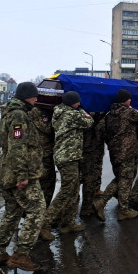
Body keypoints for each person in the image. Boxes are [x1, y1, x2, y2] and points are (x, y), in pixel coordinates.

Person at [0, 82, 45, 271]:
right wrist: (22, 176)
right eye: (34, 96)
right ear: (27, 96)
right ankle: (21, 254)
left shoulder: (10, 112)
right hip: (18, 174)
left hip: (8, 172)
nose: (36, 99)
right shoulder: (19, 115)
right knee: (37, 209)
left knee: (12, 213)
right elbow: (17, 146)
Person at [40, 91, 94, 240]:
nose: (79, 103)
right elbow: (89, 122)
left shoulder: (58, 112)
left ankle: (68, 223)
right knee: (67, 191)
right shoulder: (71, 114)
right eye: (77, 102)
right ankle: (45, 224)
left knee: (74, 189)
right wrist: (83, 110)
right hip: (68, 157)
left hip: (67, 156)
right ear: (72, 103)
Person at [93, 89, 138, 222]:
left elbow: (103, 132)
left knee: (121, 178)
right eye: (129, 99)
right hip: (128, 151)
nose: (130, 101)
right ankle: (120, 209)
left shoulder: (109, 114)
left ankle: (110, 203)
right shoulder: (128, 112)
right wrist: (132, 109)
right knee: (125, 180)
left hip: (115, 152)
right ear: (124, 101)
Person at [80, 112, 106, 216]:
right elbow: (91, 125)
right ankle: (86, 207)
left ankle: (86, 204)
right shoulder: (85, 115)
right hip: (87, 149)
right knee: (87, 178)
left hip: (89, 148)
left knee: (89, 176)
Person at [30, 106, 56, 206]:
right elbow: (47, 128)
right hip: (43, 152)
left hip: (39, 151)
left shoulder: (31, 110)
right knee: (47, 181)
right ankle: (42, 207)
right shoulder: (38, 112)